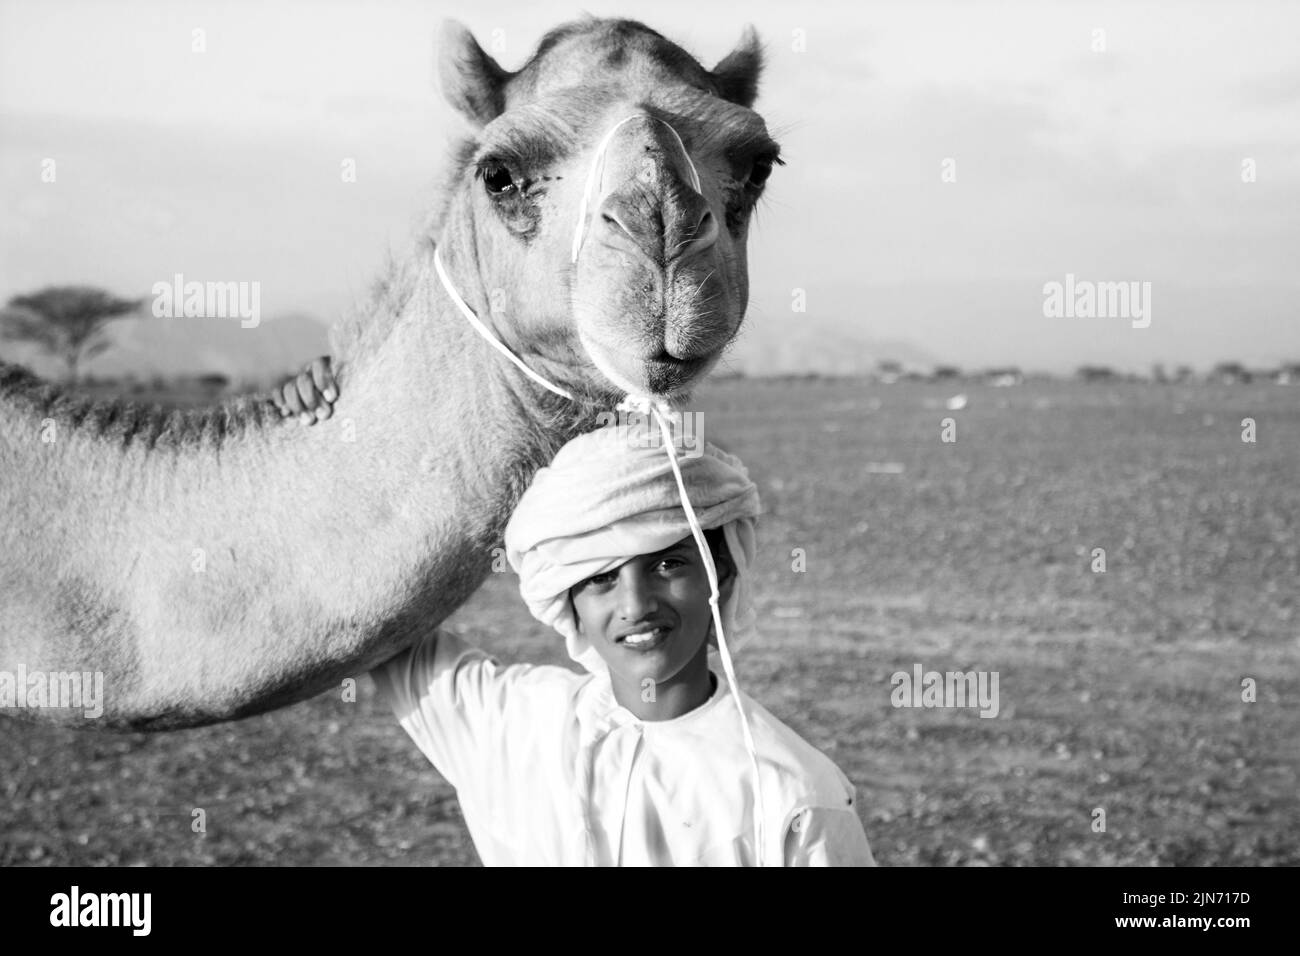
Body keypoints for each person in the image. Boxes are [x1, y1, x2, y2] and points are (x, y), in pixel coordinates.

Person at [281, 358, 876, 866]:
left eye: (668, 565)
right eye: (600, 578)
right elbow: (371, 593)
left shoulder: (795, 798)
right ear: (568, 601)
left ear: (720, 571)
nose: (636, 605)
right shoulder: (510, 724)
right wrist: (322, 432)